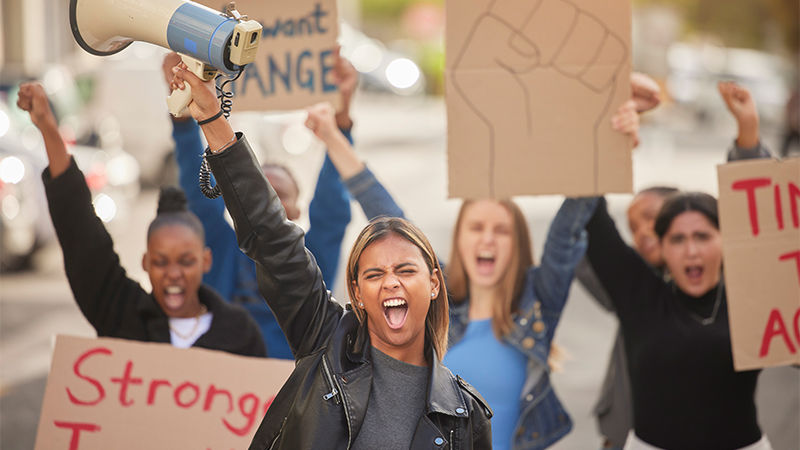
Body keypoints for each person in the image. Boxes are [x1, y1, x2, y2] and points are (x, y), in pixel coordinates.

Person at [302, 76, 641, 448]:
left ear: (518, 244)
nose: (487, 239)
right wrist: (332, 136)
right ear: (458, 240)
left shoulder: (538, 300)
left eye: (502, 230)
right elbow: (383, 209)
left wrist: (610, 140)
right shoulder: (436, 297)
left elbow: (571, 220)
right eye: (476, 228)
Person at [170, 59, 494, 449]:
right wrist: (210, 118)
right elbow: (273, 238)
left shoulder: (467, 417)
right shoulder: (326, 341)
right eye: (374, 275)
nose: (390, 281)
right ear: (356, 293)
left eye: (405, 269)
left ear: (434, 283)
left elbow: (329, 212)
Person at [578, 80, 773, 450]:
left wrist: (748, 135)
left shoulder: (754, 301)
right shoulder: (639, 296)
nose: (691, 251)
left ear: (725, 242)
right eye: (678, 240)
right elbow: (590, 210)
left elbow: (759, 218)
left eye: (702, 237)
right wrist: (612, 136)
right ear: (662, 249)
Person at [17, 82, 265, 357]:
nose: (173, 274)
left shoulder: (239, 333)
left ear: (205, 261)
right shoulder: (123, 316)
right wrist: (48, 128)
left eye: (186, 261)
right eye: (161, 262)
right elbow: (81, 235)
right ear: (145, 263)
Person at [163, 49, 356, 359]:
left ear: (295, 212)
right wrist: (185, 113)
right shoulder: (220, 249)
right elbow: (196, 194)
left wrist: (341, 124)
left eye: (278, 195)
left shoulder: (312, 262)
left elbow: (332, 212)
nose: (265, 204)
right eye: (256, 194)